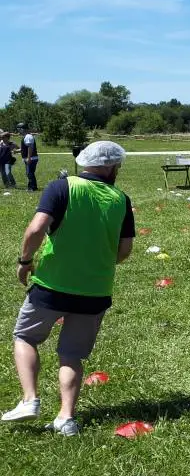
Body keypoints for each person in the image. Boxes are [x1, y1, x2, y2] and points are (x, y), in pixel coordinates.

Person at [1, 141, 134, 436]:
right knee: (71, 354)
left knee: (25, 336)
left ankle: (29, 400)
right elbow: (124, 251)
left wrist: (24, 261)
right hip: (96, 290)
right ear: (112, 166)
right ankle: (66, 418)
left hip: (53, 284)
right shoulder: (121, 199)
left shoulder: (62, 187)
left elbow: (36, 229)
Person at [17, 123, 38, 192]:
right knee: (29, 173)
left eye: (19, 129)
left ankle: (33, 187)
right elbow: (25, 148)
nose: (18, 131)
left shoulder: (28, 136)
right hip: (30, 158)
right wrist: (17, 151)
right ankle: (31, 187)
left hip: (31, 158)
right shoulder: (26, 136)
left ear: (22, 129)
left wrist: (29, 158)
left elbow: (30, 147)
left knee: (29, 173)